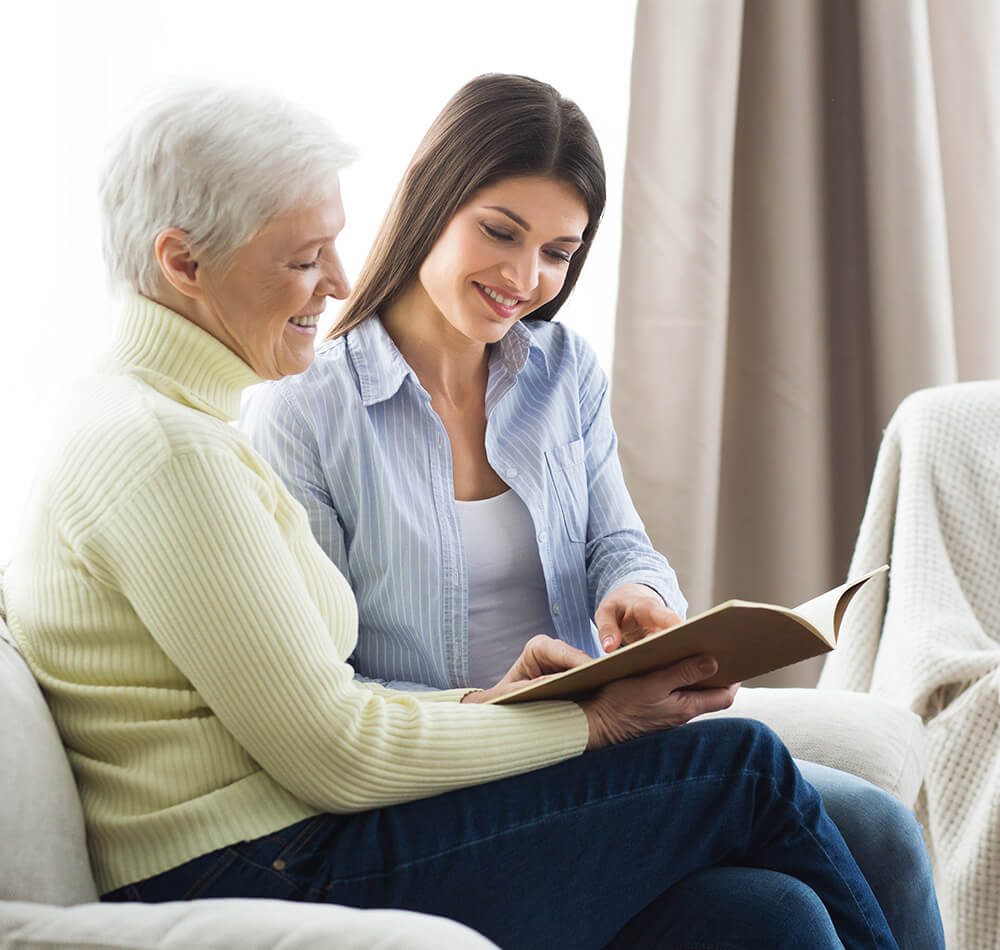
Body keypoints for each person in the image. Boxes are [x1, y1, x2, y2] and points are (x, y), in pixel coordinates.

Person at [1, 81, 899, 950]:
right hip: (258, 864)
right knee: (742, 767)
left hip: (297, 837)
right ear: (184, 263)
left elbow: (313, 708)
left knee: (765, 918)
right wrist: (588, 722)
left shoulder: (183, 423)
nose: (338, 281)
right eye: (305, 259)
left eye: (334, 249)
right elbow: (336, 749)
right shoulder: (173, 447)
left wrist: (503, 694)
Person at [242, 73, 944, 949]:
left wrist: (640, 597)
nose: (523, 277)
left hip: (593, 754)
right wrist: (488, 708)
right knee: (792, 858)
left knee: (842, 863)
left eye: (558, 253)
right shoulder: (305, 409)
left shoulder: (560, 370)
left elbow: (617, 540)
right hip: (455, 783)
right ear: (431, 203)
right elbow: (315, 693)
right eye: (499, 233)